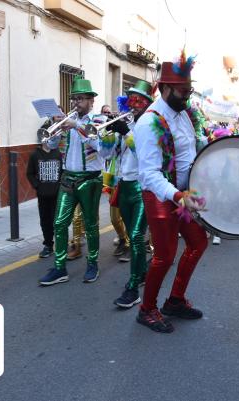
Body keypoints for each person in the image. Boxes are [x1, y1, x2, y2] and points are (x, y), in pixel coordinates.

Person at [133, 51, 209, 333]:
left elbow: (190, 153)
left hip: (182, 194)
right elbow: (149, 175)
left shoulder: (184, 114)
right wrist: (178, 196)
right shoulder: (148, 123)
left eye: (189, 90)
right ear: (164, 88)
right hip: (161, 196)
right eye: (182, 91)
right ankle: (146, 309)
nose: (187, 96)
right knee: (164, 255)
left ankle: (175, 300)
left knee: (198, 243)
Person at [38, 77, 111, 286]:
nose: (76, 103)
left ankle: (93, 263)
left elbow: (102, 148)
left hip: (90, 180)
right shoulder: (67, 121)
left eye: (80, 99)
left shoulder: (99, 121)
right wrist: (55, 128)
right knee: (59, 223)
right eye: (74, 99)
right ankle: (60, 267)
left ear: (91, 101)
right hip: (67, 179)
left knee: (91, 224)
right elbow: (50, 145)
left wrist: (77, 125)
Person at [108, 80, 154, 308]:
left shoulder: (151, 126)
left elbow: (143, 154)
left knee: (136, 236)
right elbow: (108, 154)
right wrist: (108, 136)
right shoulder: (126, 123)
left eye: (138, 101)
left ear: (147, 105)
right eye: (130, 100)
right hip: (123, 185)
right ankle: (143, 270)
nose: (133, 105)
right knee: (132, 236)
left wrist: (126, 132)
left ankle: (133, 287)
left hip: (141, 187)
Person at [28, 116, 63, 258]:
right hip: (43, 194)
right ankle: (48, 244)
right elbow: (29, 173)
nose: (48, 138)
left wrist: (61, 186)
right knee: (45, 220)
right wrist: (38, 186)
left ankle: (60, 243)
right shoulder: (35, 155)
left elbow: (63, 171)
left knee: (58, 220)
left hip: (57, 193)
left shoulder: (58, 154)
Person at [101, 103, 130, 258]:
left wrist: (126, 132)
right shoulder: (116, 131)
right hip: (114, 177)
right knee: (114, 217)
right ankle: (122, 237)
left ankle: (129, 244)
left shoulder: (135, 130)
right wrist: (109, 132)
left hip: (131, 178)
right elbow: (106, 154)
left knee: (129, 215)